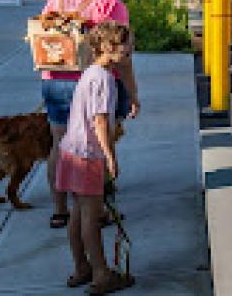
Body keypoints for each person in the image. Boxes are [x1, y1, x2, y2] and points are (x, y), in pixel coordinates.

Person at [41, 0, 136, 230]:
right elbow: (123, 55)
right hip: (93, 81)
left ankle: (60, 210)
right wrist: (132, 92)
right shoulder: (110, 4)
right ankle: (96, 209)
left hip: (55, 77)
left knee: (60, 144)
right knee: (99, 144)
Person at [56, 21, 135, 294]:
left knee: (77, 215)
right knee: (92, 217)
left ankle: (81, 267)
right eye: (127, 44)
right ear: (108, 47)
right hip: (88, 156)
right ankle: (101, 274)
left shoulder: (90, 72)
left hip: (70, 150)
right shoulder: (104, 79)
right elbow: (100, 121)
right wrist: (110, 157)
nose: (131, 49)